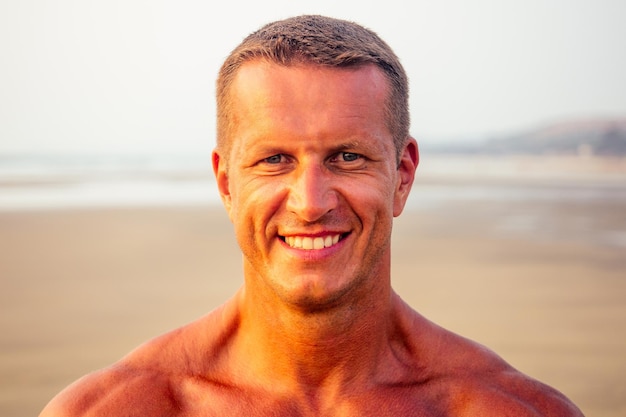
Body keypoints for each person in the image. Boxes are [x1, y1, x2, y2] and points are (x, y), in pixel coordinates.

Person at [40, 15, 583, 416]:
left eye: (347, 157)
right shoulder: (117, 409)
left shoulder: (507, 410)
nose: (311, 202)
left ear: (403, 175)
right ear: (227, 183)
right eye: (275, 160)